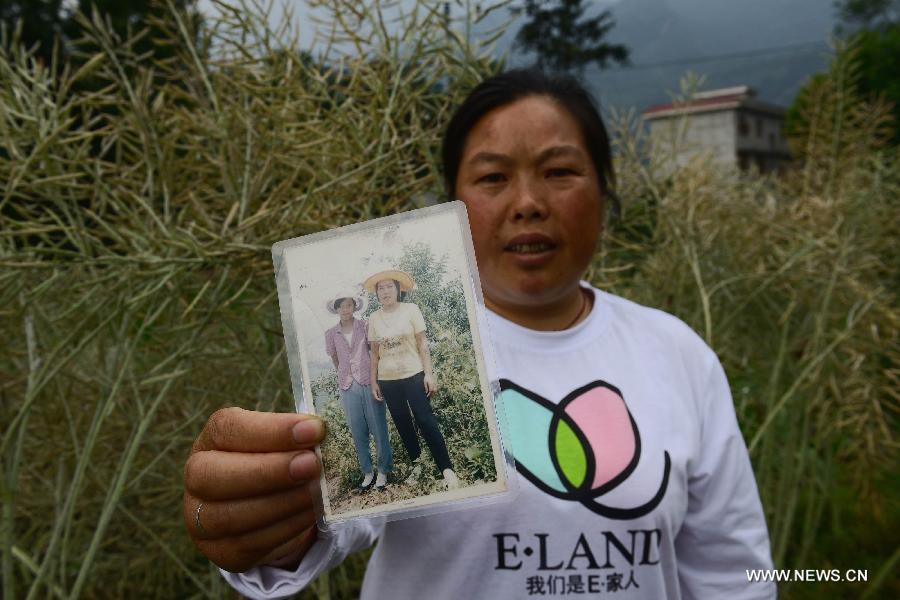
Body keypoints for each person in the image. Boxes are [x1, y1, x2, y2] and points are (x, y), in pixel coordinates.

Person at [183, 67, 776, 599]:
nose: (527, 203)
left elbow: (735, 571)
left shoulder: (677, 354)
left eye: (560, 171)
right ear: (450, 207)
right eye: (493, 178)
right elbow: (332, 519)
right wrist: (273, 518)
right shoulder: (387, 332)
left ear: (605, 190)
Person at [363, 270, 457, 488]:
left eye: (389, 286)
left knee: (426, 421)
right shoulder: (374, 318)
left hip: (414, 375)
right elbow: (374, 354)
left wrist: (429, 374)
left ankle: (447, 468)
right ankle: (417, 465)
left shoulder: (411, 310)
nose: (385, 291)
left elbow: (423, 344)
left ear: (397, 289)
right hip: (387, 380)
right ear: (376, 293)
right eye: (380, 288)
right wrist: (374, 382)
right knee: (403, 424)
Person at [323, 293, 391, 492]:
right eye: (341, 306)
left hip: (369, 381)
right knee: (357, 430)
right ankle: (367, 472)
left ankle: (383, 471)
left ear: (354, 307)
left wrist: (374, 377)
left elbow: (375, 351)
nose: (345, 309)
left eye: (348, 305)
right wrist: (344, 373)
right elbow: (334, 358)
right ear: (336, 309)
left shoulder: (365, 326)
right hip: (347, 385)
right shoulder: (331, 333)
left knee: (378, 428)